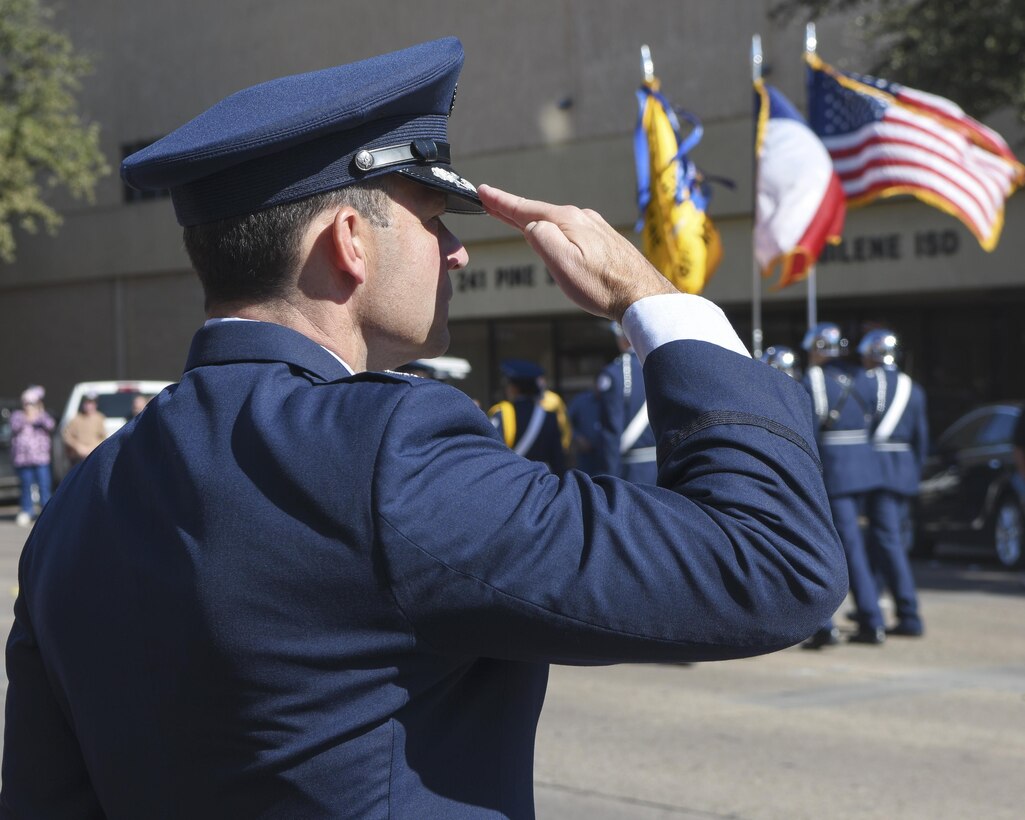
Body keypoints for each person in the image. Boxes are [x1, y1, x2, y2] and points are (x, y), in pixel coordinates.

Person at [2, 38, 846, 817]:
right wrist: (652, 300)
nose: (457, 254)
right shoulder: (387, 452)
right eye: (433, 218)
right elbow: (770, 564)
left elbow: (47, 797)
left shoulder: (86, 501)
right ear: (349, 244)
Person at [801, 321, 886, 648]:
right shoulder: (862, 376)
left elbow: (812, 424)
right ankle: (870, 617)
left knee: (834, 548)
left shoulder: (816, 378)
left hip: (835, 468)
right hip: (866, 465)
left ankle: (833, 624)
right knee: (857, 545)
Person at [859, 329, 927, 637]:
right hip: (904, 471)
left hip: (878, 470)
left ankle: (908, 611)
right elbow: (921, 440)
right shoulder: (915, 388)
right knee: (882, 540)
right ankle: (869, 602)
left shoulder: (868, 383)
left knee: (888, 542)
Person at [596, 320, 657, 483]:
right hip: (666, 466)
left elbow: (612, 429)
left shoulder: (614, 373)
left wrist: (609, 476)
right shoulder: (661, 364)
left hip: (632, 470)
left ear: (624, 339)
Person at [488, 359, 567, 475]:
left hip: (512, 480)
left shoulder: (501, 413)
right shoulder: (550, 417)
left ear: (514, 388)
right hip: (541, 482)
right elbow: (558, 462)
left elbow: (492, 454)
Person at [8, 385, 54, 527]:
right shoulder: (18, 416)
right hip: (23, 459)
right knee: (26, 485)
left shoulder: (43, 416)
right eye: (26, 403)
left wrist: (39, 413)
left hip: (41, 458)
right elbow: (14, 426)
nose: (29, 406)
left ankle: (47, 511)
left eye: (32, 403)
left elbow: (50, 425)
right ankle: (27, 510)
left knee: (44, 485)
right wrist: (28, 418)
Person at [567, 378, 604, 475]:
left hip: (605, 452)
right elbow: (566, 422)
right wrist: (577, 437)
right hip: (585, 453)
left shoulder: (612, 399)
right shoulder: (581, 400)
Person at [61, 391, 107, 467]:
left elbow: (103, 437)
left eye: (91, 403)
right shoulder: (76, 419)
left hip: (93, 455)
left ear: (95, 405)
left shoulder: (99, 418)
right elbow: (67, 436)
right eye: (87, 403)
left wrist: (92, 448)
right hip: (78, 457)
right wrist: (78, 447)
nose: (89, 406)